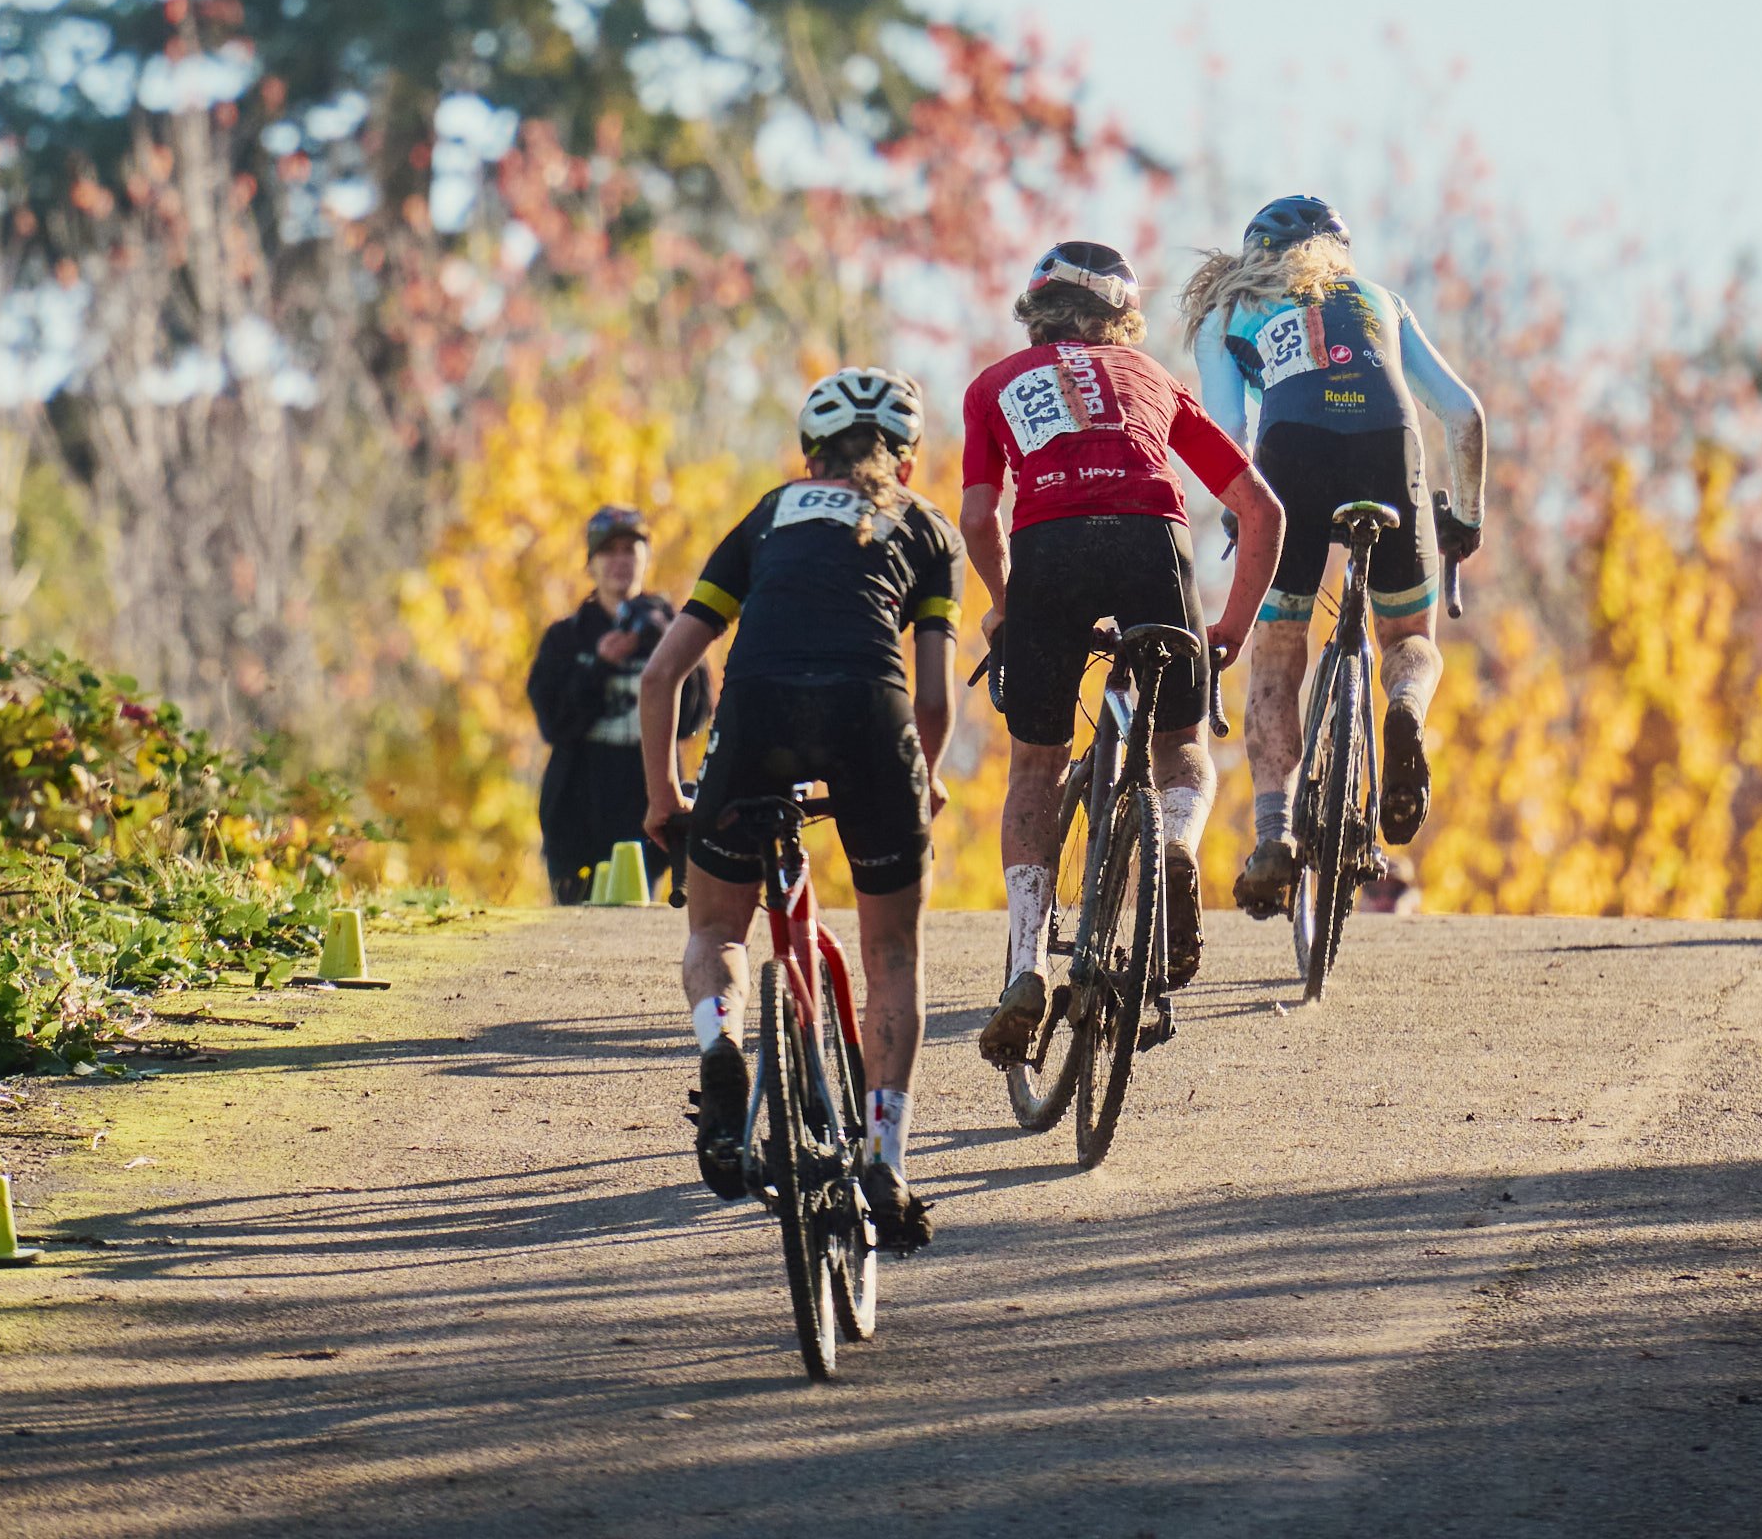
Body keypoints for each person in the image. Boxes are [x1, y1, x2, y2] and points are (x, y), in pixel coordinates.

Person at [635, 369, 958, 1251]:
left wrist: (666, 797)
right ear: (906, 458)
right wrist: (923, 777)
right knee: (892, 953)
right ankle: (885, 1158)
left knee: (717, 931)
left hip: (757, 717)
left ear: (809, 454)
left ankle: (720, 1050)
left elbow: (661, 676)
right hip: (871, 718)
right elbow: (933, 700)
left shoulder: (770, 513)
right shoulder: (926, 526)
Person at [960, 236, 1285, 1068]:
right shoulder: (1153, 378)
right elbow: (1261, 509)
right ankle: (1174, 842)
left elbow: (975, 518)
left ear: (1036, 313)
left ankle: (1026, 964)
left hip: (1047, 547)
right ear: (1122, 318)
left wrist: (1005, 608)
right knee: (1180, 745)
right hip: (1150, 539)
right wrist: (1229, 629)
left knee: (1035, 765)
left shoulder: (992, 385)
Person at [1182, 193, 1485, 916]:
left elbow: (1226, 432)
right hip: (1389, 444)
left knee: (1277, 650)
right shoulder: (1381, 300)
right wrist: (1467, 519)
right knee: (1408, 638)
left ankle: (1273, 834)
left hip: (1291, 453)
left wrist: (1242, 516)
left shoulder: (1228, 310)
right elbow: (1464, 414)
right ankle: (1403, 707)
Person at [525, 503, 703, 905]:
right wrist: (599, 667)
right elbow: (553, 723)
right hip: (578, 812)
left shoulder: (672, 631)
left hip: (649, 807)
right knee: (574, 922)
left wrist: (667, 647)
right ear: (590, 563)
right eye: (608, 551)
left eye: (630, 549)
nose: (620, 561)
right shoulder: (566, 638)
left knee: (642, 920)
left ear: (646, 556)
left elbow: (695, 717)